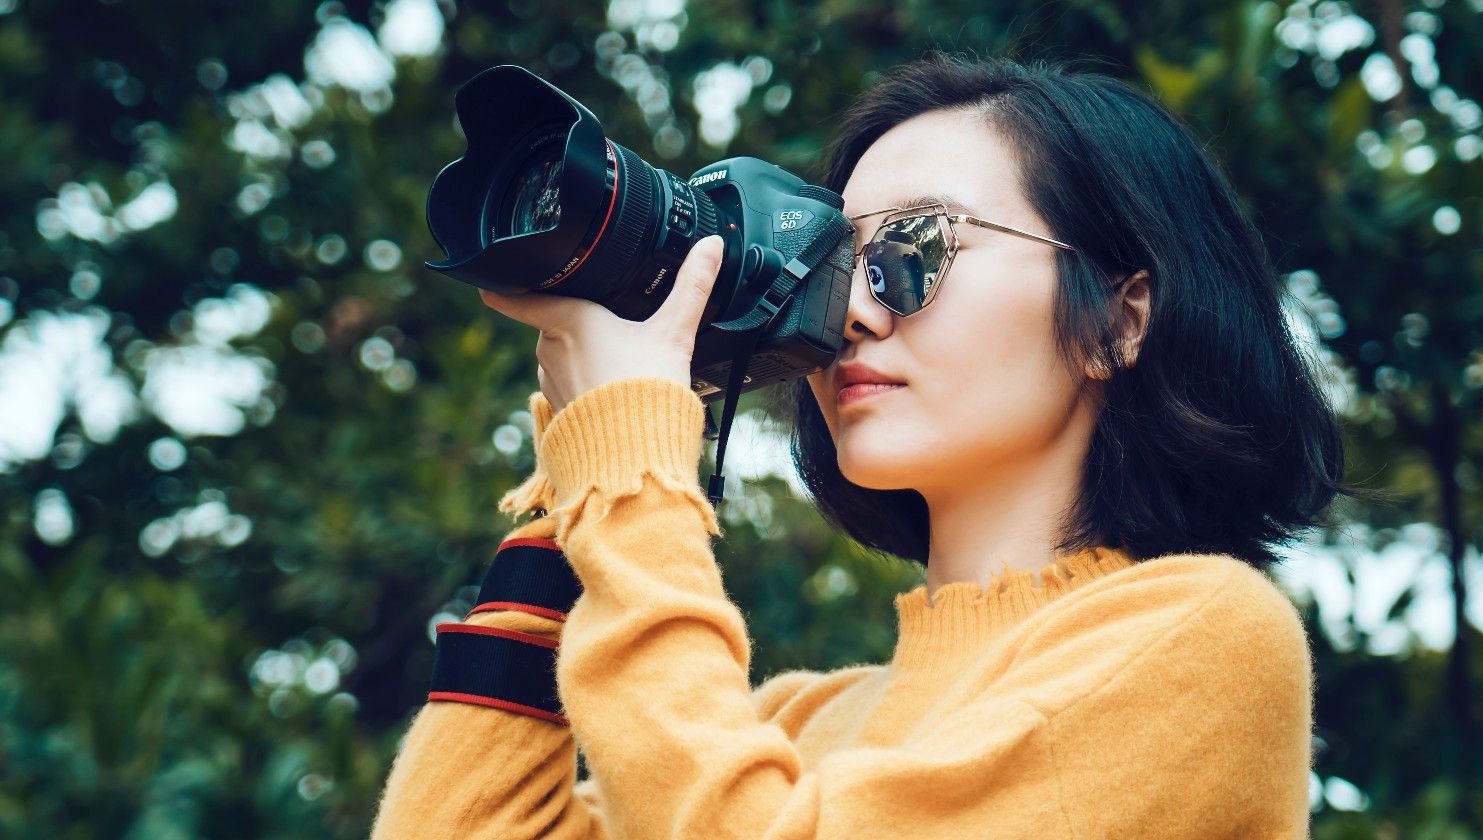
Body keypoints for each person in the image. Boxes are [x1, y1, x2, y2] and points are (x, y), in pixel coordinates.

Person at [372, 51, 1366, 839]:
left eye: (915, 251)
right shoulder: (790, 729)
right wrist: (576, 494)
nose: (851, 311)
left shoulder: (1205, 640)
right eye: (835, 263)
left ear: (1119, 318)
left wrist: (635, 482)